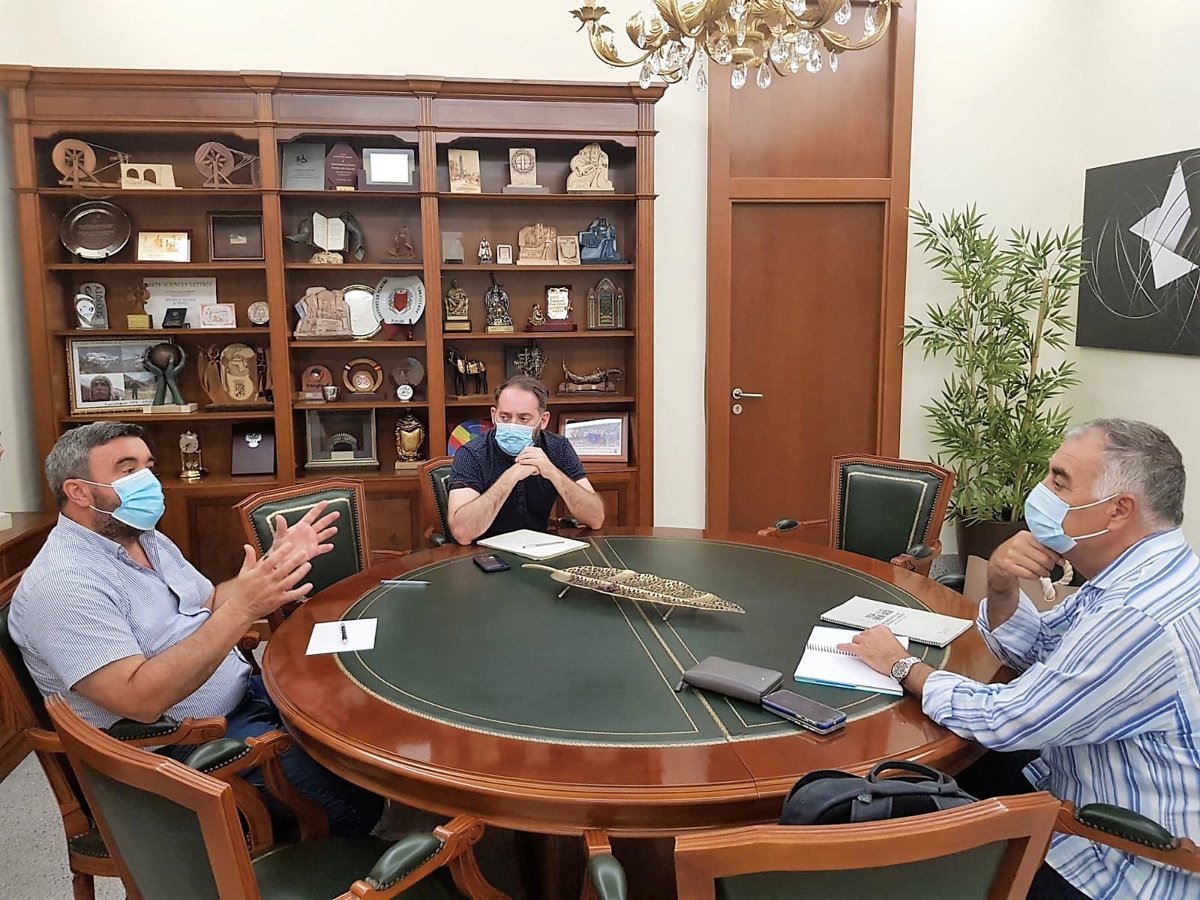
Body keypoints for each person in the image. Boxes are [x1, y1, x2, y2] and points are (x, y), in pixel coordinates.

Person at [843, 419, 1200, 899]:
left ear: (1118, 510)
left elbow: (1008, 719)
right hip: (1074, 786)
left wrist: (902, 665)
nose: (1041, 492)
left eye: (1059, 481)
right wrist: (1001, 583)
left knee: (898, 846)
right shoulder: (1150, 574)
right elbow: (1039, 649)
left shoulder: (1138, 617)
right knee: (928, 776)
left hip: (1120, 857)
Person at [9, 421, 383, 838]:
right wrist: (245, 608)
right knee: (355, 793)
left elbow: (206, 603)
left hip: (239, 698)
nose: (148, 481)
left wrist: (269, 569)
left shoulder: (144, 538)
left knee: (361, 723)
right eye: (128, 470)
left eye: (148, 467)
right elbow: (140, 700)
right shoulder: (64, 584)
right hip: (174, 750)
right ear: (78, 491)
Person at [447, 375, 604, 543]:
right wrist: (510, 478)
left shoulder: (558, 448)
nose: (513, 425)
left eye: (523, 419)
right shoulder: (471, 454)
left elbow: (596, 519)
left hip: (538, 547)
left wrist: (553, 473)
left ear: (543, 420)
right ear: (493, 415)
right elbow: (462, 534)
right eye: (504, 417)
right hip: (482, 551)